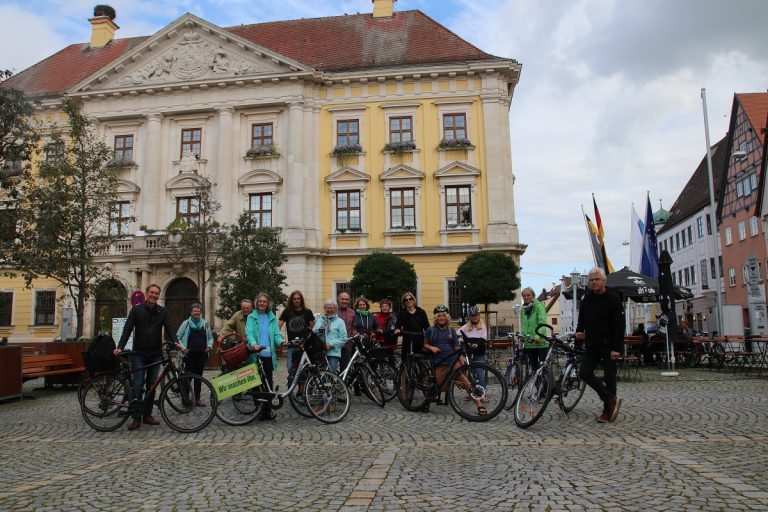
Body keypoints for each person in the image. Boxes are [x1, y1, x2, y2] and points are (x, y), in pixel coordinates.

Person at [114, 283, 179, 431]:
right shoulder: (136, 310)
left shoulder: (162, 311)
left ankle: (147, 415)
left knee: (152, 387)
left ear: (159, 295)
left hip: (155, 354)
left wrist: (177, 343)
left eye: (157, 293)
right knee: (137, 386)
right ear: (147, 293)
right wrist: (120, 346)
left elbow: (170, 329)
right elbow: (127, 329)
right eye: (152, 292)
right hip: (139, 354)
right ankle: (136, 418)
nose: (154, 295)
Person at [576, 267, 625, 423]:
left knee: (610, 378)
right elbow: (581, 317)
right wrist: (579, 331)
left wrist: (617, 349)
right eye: (592, 280)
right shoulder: (587, 298)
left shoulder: (613, 299)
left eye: (597, 279)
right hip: (592, 344)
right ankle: (611, 399)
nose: (594, 282)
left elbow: (619, 326)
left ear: (604, 280)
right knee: (584, 372)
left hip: (609, 345)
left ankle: (607, 411)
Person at [423, 305, 486, 415]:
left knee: (467, 382)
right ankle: (426, 403)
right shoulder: (430, 330)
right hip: (438, 363)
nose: (441, 318)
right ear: (436, 318)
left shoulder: (451, 331)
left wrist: (462, 362)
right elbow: (425, 344)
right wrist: (432, 348)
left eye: (443, 315)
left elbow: (457, 348)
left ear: (447, 317)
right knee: (436, 386)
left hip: (452, 362)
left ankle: (479, 405)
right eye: (439, 316)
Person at [245, 293, 283, 420]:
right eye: (260, 301)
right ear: (257, 303)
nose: (262, 303)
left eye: (264, 302)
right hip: (256, 354)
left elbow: (277, 334)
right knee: (256, 383)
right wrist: (254, 344)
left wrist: (281, 342)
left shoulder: (271, 317)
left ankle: (267, 410)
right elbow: (249, 332)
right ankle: (258, 409)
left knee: (268, 383)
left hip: (268, 355)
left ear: (268, 304)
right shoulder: (251, 317)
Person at [175, 303, 214, 406]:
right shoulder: (186, 323)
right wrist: (183, 348)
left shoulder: (205, 324)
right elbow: (178, 337)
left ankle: (197, 399)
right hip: (189, 355)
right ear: (191, 312)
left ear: (200, 312)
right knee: (188, 377)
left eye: (198, 311)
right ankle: (186, 399)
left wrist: (209, 347)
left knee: (198, 377)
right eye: (195, 311)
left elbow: (210, 337)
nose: (197, 312)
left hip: (201, 354)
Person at [278, 291, 314, 385]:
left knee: (303, 369)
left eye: (298, 299)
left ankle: (301, 390)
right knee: (290, 367)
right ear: (291, 300)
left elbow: (313, 328)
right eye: (294, 299)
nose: (296, 301)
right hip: (292, 345)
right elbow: (278, 327)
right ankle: (294, 383)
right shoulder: (287, 312)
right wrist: (280, 339)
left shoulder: (307, 312)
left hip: (304, 346)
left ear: (301, 300)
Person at [313, 299, 348, 373]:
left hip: (333, 352)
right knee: (319, 374)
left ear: (335, 309)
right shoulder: (319, 320)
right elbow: (314, 333)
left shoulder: (340, 322)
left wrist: (331, 344)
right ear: (325, 308)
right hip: (320, 352)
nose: (329, 310)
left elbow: (344, 338)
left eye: (331, 308)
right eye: (327, 308)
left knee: (330, 374)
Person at [520, 287, 549, 372]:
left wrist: (537, 336)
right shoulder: (523, 309)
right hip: (529, 343)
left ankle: (546, 385)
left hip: (540, 343)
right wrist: (523, 336)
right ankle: (537, 385)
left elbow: (542, 323)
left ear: (533, 296)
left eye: (528, 295)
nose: (526, 297)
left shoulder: (539, 306)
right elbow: (524, 325)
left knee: (543, 369)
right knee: (534, 369)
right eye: (524, 296)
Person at [458, 305, 487, 389]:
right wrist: (463, 343)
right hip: (469, 354)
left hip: (479, 353)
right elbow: (457, 335)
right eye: (472, 315)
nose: (474, 317)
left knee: (480, 374)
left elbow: (483, 339)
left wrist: (477, 344)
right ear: (470, 316)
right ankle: (472, 393)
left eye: (476, 315)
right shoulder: (466, 326)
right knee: (471, 374)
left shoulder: (482, 326)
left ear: (479, 315)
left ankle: (482, 393)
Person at [394, 292, 430, 359]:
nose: (408, 301)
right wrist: (397, 329)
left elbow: (427, 326)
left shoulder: (421, 312)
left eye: (410, 299)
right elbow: (398, 325)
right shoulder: (402, 313)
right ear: (404, 302)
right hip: (407, 339)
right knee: (406, 361)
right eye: (406, 300)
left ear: (413, 300)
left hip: (419, 339)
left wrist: (429, 336)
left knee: (420, 360)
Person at [336, 291, 355, 375]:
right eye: (342, 299)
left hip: (347, 345)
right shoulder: (333, 310)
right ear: (338, 299)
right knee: (331, 368)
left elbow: (353, 328)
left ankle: (343, 386)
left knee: (345, 369)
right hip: (334, 345)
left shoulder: (352, 312)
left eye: (346, 299)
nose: (344, 301)